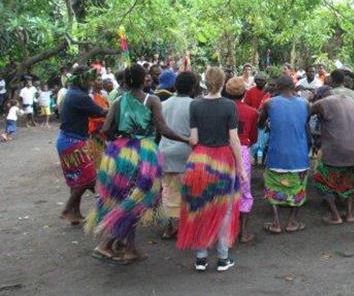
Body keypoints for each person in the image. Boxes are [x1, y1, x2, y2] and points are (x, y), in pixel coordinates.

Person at [86, 64, 188, 265]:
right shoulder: (152, 100)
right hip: (144, 154)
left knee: (125, 197)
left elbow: (106, 129)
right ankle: (106, 243)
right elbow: (163, 129)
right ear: (144, 80)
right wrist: (185, 139)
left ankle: (129, 249)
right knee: (140, 199)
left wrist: (121, 139)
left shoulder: (117, 101)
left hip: (120, 154)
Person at [176, 67, 247, 272]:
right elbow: (234, 140)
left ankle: (200, 258)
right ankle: (223, 259)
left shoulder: (195, 105)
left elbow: (194, 139)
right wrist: (241, 167)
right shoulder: (229, 106)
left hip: (199, 160)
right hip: (223, 160)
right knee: (224, 209)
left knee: (199, 206)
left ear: (205, 83)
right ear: (223, 83)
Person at [56, 67, 107, 225]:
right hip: (74, 143)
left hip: (66, 140)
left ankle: (75, 214)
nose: (92, 83)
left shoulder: (71, 92)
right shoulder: (80, 96)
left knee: (76, 179)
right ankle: (67, 208)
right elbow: (100, 112)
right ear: (83, 80)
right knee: (89, 178)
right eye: (90, 80)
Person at [259, 76, 309, 234]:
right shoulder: (305, 103)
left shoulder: (270, 103)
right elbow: (303, 123)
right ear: (293, 87)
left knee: (272, 184)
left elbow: (260, 123)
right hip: (299, 153)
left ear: (278, 87)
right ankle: (292, 221)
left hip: (276, 153)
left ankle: (276, 222)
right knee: (299, 187)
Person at [311, 81, 354, 225]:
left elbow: (306, 114)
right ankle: (350, 213)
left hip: (337, 149)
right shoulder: (350, 100)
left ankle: (335, 215)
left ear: (320, 96)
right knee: (350, 181)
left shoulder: (322, 103)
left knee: (322, 180)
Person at [159, 71, 195, 240]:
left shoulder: (163, 104)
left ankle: (169, 227)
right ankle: (184, 227)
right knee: (185, 192)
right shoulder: (194, 105)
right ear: (193, 87)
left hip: (165, 152)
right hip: (186, 153)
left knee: (167, 190)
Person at [224, 76, 259, 244]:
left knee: (224, 191)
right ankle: (243, 232)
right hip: (243, 151)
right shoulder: (252, 112)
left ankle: (224, 232)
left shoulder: (221, 109)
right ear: (245, 92)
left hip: (222, 152)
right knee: (245, 191)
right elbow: (253, 137)